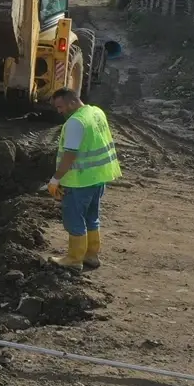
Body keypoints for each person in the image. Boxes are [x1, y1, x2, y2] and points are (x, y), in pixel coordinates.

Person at [47, 87, 121, 269]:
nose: (59, 111)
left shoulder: (75, 122)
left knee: (74, 219)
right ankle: (91, 255)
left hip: (79, 181)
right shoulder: (96, 112)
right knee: (91, 217)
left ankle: (74, 259)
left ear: (72, 102)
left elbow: (70, 155)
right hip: (98, 177)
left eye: (60, 107)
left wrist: (56, 179)